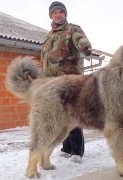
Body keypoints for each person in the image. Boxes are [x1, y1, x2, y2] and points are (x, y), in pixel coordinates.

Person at [40, 1, 92, 163]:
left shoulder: (72, 29)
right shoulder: (49, 36)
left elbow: (80, 39)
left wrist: (85, 47)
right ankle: (66, 147)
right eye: (55, 12)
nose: (58, 14)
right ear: (51, 16)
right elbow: (46, 61)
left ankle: (77, 151)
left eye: (60, 12)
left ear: (65, 14)